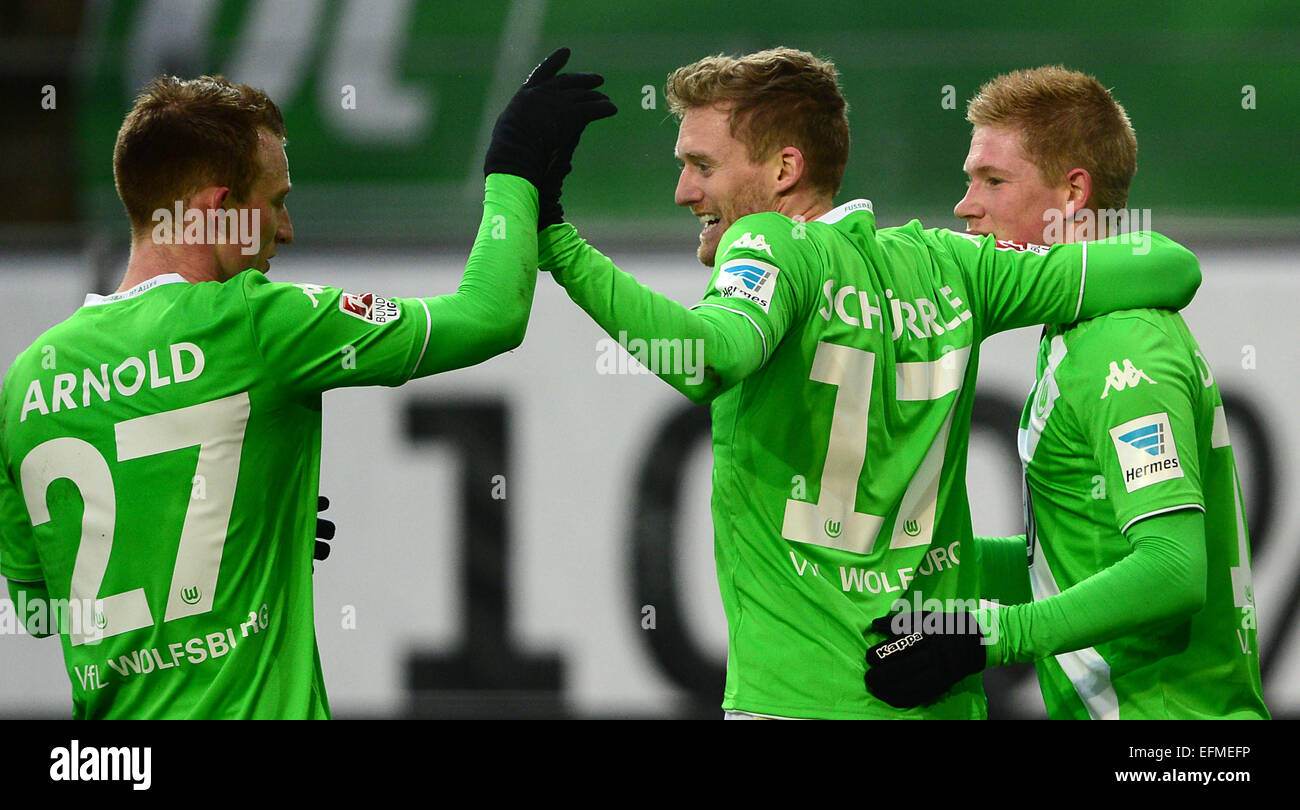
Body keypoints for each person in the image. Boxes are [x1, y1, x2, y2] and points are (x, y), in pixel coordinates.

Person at [536, 47, 1202, 719]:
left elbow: (708, 357)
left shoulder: (769, 245)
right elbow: (1172, 265)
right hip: (939, 697)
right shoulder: (946, 265)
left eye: (702, 167)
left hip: (798, 701)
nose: (684, 191)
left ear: (784, 170)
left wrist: (558, 244)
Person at [0, 50, 614, 718]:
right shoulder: (256, 320)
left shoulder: (28, 379)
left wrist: (222, 530)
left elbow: (36, 611)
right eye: (277, 203)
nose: (286, 230)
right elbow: (489, 316)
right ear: (221, 209)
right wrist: (515, 163)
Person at [863, 66, 1268, 718]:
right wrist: (913, 571)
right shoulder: (1075, 331)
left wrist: (990, 636)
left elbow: (1172, 569)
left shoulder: (1124, 345)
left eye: (993, 181)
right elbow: (1067, 562)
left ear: (1073, 192)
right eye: (969, 180)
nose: (967, 205)